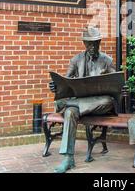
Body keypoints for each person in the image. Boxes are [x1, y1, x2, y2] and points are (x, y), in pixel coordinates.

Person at [49, 26, 116, 173]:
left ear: (99, 42)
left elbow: (116, 84)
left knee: (108, 101)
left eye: (95, 43)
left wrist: (122, 88)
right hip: (80, 102)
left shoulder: (107, 61)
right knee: (70, 113)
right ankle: (68, 158)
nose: (92, 46)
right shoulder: (76, 60)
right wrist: (56, 87)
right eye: (89, 43)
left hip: (99, 105)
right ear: (84, 43)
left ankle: (69, 104)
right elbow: (66, 83)